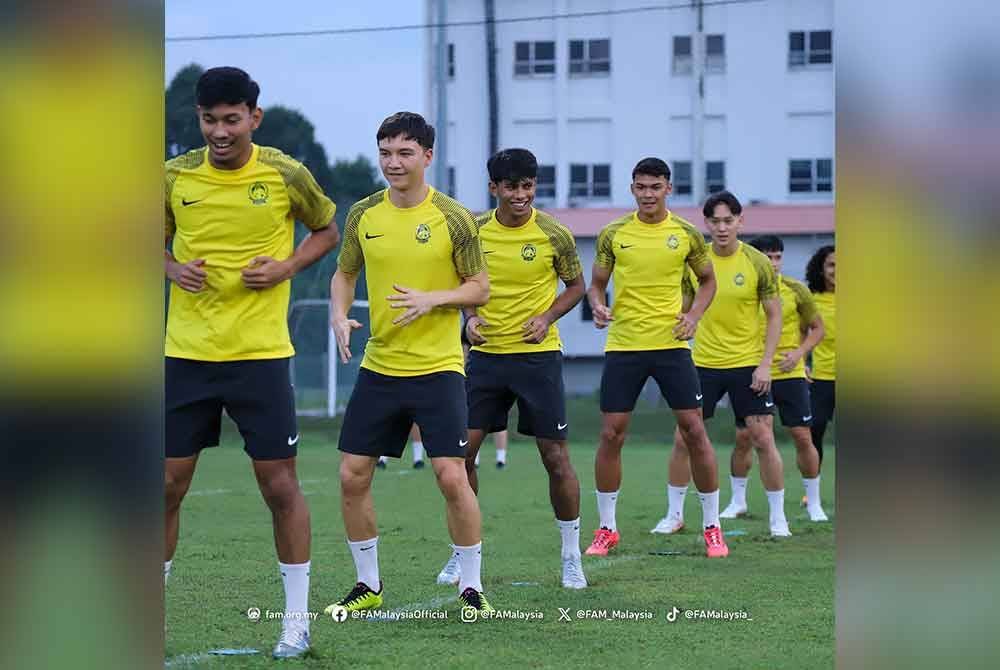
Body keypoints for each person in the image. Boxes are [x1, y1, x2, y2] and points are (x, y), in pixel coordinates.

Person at [164, 67, 340, 659]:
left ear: (253, 118)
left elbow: (327, 230)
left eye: (231, 119)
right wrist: (170, 268)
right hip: (186, 355)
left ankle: (296, 622)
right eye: (210, 120)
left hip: (261, 357)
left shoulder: (286, 173)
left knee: (278, 484)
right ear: (200, 120)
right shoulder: (172, 177)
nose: (220, 131)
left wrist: (287, 267)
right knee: (165, 484)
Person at [324, 112, 495, 615]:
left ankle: (471, 586)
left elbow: (480, 288)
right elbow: (344, 273)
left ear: (427, 156)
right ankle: (368, 586)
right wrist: (338, 315)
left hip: (439, 366)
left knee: (451, 475)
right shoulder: (363, 215)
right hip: (380, 365)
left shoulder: (454, 217)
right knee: (352, 474)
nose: (393, 163)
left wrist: (433, 299)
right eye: (385, 152)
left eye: (404, 153)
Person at [436, 148, 587, 589]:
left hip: (538, 359)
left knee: (555, 458)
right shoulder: (473, 230)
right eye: (510, 186)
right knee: (460, 457)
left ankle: (571, 557)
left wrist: (547, 317)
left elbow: (576, 285)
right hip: (484, 360)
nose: (520, 194)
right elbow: (457, 283)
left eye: (527, 186)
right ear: (494, 188)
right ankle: (461, 555)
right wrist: (469, 319)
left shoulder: (555, 234)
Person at [585, 158, 729, 559]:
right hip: (624, 345)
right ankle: (607, 529)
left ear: (669, 188)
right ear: (632, 189)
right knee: (611, 434)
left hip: (671, 346)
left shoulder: (685, 233)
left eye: (655, 187)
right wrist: (598, 306)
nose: (648, 194)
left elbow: (707, 281)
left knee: (694, 431)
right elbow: (596, 285)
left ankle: (712, 528)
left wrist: (694, 316)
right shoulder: (613, 233)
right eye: (641, 187)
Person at [656, 191, 791, 538]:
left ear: (740, 222)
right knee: (683, 440)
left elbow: (774, 316)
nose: (721, 227)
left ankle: (778, 518)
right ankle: (674, 515)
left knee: (762, 437)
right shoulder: (696, 262)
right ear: (707, 224)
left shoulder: (758, 262)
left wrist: (765, 365)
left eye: (728, 220)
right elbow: (684, 306)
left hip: (747, 365)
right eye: (714, 221)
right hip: (701, 364)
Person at [717, 236, 828, 522]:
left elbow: (817, 329)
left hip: (788, 373)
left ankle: (813, 502)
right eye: (768, 257)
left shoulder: (795, 290)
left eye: (778, 257)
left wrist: (800, 354)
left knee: (803, 436)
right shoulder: (740, 290)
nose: (773, 263)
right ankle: (738, 501)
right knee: (744, 437)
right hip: (752, 371)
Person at [806, 245, 836, 476]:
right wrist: (802, 363)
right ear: (821, 268)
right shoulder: (810, 299)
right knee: (814, 431)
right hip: (822, 377)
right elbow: (798, 333)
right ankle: (811, 491)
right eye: (832, 265)